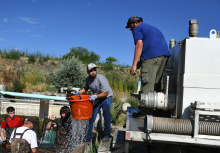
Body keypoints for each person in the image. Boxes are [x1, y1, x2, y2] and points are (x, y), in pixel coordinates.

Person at [126, 16, 170, 94]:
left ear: (136, 23)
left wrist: (134, 65)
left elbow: (139, 45)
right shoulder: (151, 28)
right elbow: (152, 45)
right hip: (164, 57)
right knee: (156, 86)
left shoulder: (137, 28)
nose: (129, 28)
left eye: (130, 25)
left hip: (152, 58)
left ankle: (146, 105)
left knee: (148, 89)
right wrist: (141, 61)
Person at [76, 63, 113, 142]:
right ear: (87, 72)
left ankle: (107, 135)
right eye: (91, 71)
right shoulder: (87, 80)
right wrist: (79, 92)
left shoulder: (101, 78)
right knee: (91, 117)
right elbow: (86, 88)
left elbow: (106, 93)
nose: (93, 72)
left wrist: (95, 96)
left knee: (106, 114)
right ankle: (87, 138)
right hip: (97, 98)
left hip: (107, 97)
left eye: (94, 70)